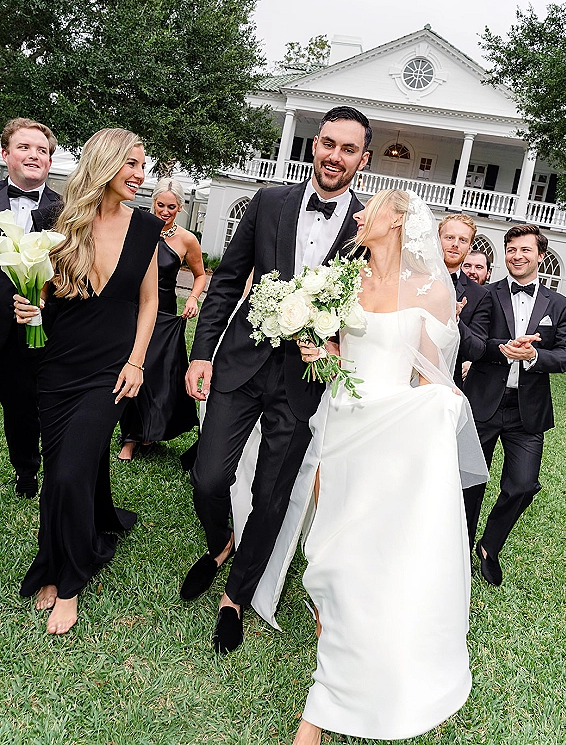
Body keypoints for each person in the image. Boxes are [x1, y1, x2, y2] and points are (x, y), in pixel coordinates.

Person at [291, 189, 488, 745]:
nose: (357, 216)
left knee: (367, 562)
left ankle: (321, 707)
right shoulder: (345, 280)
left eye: (369, 210)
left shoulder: (431, 290)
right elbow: (342, 354)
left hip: (390, 436)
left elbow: (432, 382)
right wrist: (324, 355)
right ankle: (339, 636)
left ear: (397, 220)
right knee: (328, 552)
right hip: (340, 425)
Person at [181, 106, 370, 654]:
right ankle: (220, 543)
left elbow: (371, 308)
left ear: (363, 157)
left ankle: (235, 597)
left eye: (348, 149)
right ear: (315, 144)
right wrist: (201, 354)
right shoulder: (268, 202)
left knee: (272, 497)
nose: (335, 156)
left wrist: (336, 343)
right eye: (328, 143)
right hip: (240, 364)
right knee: (209, 478)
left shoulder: (369, 227)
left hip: (302, 383)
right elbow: (225, 283)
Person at [14, 128, 161, 634]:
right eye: (132, 164)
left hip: (111, 369)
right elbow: (44, 294)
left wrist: (138, 360)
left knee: (73, 471)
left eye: (144, 165)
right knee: (58, 473)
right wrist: (28, 305)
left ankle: (70, 583)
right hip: (58, 365)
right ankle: (52, 566)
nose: (141, 175)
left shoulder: (145, 227)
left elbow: (149, 301)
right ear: (105, 164)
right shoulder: (54, 220)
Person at [463, 224, 566, 587]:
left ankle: (489, 546)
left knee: (524, 485)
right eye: (511, 249)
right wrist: (502, 348)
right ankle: (458, 547)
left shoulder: (559, 305)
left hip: (527, 410)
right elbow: (474, 341)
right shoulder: (486, 295)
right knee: (469, 481)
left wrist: (532, 356)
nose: (517, 256)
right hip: (483, 403)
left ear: (540, 255)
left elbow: (563, 356)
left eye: (525, 250)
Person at [118, 177, 205, 462]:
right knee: (132, 366)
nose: (164, 211)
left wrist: (192, 298)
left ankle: (149, 432)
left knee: (156, 376)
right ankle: (129, 439)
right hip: (133, 309)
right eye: (160, 205)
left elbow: (201, 275)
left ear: (180, 208)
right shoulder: (138, 226)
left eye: (171, 207)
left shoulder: (187, 240)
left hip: (166, 316)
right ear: (152, 202)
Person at [0, 118, 61, 498]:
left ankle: (27, 473)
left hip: (35, 330)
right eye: (24, 147)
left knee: (23, 408)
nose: (34, 155)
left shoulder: (67, 211)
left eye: (42, 150)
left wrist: (44, 304)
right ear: (5, 154)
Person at [438, 213, 492, 390]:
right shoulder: (411, 277)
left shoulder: (479, 295)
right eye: (449, 237)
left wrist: (456, 320)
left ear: (469, 248)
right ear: (438, 240)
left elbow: (476, 350)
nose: (455, 243)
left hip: (445, 386)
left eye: (462, 240)